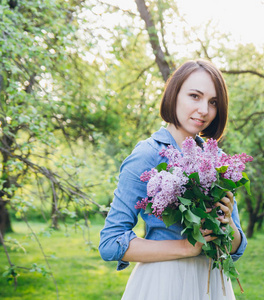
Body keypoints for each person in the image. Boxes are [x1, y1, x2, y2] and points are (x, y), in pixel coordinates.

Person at [99, 59, 247, 300]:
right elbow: (110, 242)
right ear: (174, 94)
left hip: (212, 285)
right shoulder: (146, 155)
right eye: (195, 96)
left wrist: (227, 223)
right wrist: (186, 248)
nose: (204, 110)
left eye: (213, 102)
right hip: (164, 283)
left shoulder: (217, 159)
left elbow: (235, 248)